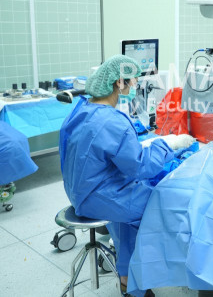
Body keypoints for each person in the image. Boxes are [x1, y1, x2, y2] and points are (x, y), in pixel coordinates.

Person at [59, 55, 194, 296]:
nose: (134, 86)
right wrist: (169, 144)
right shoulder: (111, 121)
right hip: (97, 196)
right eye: (131, 81)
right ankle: (161, 274)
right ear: (117, 83)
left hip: (79, 190)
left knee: (129, 215)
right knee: (159, 204)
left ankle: (127, 276)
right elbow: (140, 166)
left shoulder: (81, 110)